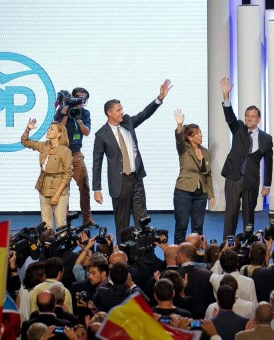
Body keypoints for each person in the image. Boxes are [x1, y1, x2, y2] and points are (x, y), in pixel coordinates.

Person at [92, 79, 172, 242]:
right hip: (119, 182)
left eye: (122, 109)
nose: (122, 112)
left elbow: (144, 114)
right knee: (122, 223)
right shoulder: (101, 134)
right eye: (118, 110)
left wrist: (159, 98)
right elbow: (97, 162)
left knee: (142, 220)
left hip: (136, 178)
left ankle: (144, 252)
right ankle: (123, 255)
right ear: (109, 113)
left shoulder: (127, 121)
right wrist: (97, 189)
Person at [220, 77, 273, 238]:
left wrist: (267, 185)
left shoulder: (266, 138)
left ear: (259, 119)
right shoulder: (238, 129)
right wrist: (225, 96)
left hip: (251, 179)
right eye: (247, 116)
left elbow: (269, 163)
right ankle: (226, 245)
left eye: (253, 116)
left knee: (249, 216)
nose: (249, 118)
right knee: (231, 215)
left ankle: (247, 244)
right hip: (234, 178)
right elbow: (229, 116)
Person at [172, 109, 215, 244]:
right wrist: (179, 126)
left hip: (200, 194)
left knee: (197, 228)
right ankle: (178, 254)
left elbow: (208, 175)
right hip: (184, 192)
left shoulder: (206, 152)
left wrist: (211, 195)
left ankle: (195, 253)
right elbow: (179, 139)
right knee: (182, 225)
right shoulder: (184, 149)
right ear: (190, 137)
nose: (200, 135)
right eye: (197, 134)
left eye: (201, 132)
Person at [22, 119, 73, 230]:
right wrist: (28, 129)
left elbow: (68, 174)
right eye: (49, 128)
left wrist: (57, 194)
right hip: (43, 187)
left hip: (58, 189)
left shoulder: (65, 151)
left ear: (59, 134)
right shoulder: (44, 146)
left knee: (61, 225)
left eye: (51, 129)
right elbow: (25, 142)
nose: (48, 131)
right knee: (46, 225)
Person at [54, 87, 93, 223]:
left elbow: (86, 132)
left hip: (76, 154)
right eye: (78, 98)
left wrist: (78, 119)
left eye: (83, 99)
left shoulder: (85, 113)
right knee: (63, 189)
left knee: (85, 187)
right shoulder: (62, 111)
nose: (80, 101)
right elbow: (58, 131)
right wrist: (65, 114)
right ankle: (63, 220)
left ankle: (87, 219)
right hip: (62, 154)